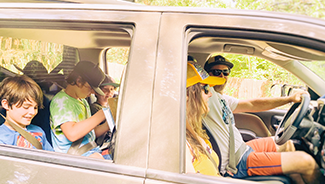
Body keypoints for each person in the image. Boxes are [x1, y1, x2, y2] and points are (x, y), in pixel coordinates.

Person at [202, 55, 324, 183]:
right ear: (205, 75)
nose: (222, 76)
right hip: (235, 163)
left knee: (288, 144)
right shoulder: (203, 97)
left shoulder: (221, 98)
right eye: (216, 72)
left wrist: (288, 99)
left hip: (241, 148)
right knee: (306, 162)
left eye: (225, 72)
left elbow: (252, 104)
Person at [50, 61, 111, 159]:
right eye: (90, 88)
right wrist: (102, 113)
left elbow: (91, 133)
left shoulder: (82, 101)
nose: (92, 93)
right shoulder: (61, 101)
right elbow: (72, 134)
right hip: (73, 157)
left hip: (91, 150)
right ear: (78, 81)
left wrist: (111, 122)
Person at [185, 62, 226, 176]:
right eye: (206, 88)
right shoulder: (179, 144)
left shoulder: (194, 131)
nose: (210, 94)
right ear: (188, 94)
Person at [0, 75, 53, 151]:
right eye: (26, 107)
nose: (33, 112)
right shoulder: (2, 137)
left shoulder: (38, 131)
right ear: (6, 104)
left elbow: (51, 157)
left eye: (35, 107)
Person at [90, 74, 119, 146]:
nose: (109, 93)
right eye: (105, 89)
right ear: (96, 92)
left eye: (112, 89)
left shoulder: (112, 106)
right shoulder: (95, 108)